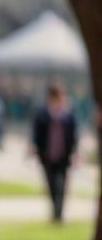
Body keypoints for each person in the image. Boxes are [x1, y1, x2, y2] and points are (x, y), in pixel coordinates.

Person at [30, 84, 79, 223]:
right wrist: (35, 148)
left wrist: (75, 152)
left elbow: (74, 136)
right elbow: (36, 134)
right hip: (47, 155)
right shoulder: (42, 115)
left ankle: (59, 213)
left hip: (64, 155)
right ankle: (55, 210)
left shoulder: (68, 115)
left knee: (61, 185)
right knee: (51, 184)